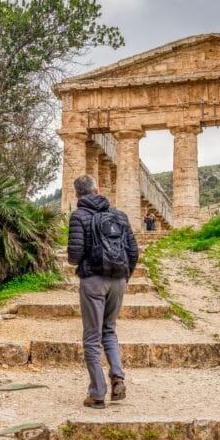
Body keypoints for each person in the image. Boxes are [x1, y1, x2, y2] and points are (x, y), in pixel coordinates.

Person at [67, 174, 139, 409]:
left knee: (91, 337)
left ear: (77, 194)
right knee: (109, 331)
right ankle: (117, 378)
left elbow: (74, 256)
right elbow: (133, 251)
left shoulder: (79, 216)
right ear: (97, 190)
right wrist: (124, 277)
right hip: (118, 280)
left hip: (93, 281)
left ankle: (97, 393)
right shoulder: (119, 215)